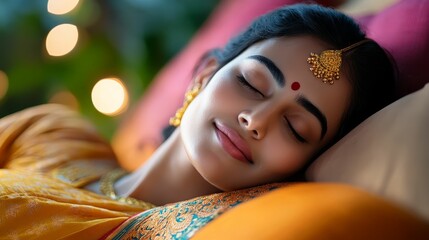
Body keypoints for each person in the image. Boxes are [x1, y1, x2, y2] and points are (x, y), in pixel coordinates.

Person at [0, 3, 396, 239]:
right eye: (251, 83)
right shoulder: (51, 133)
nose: (255, 120)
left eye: (296, 128)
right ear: (205, 74)